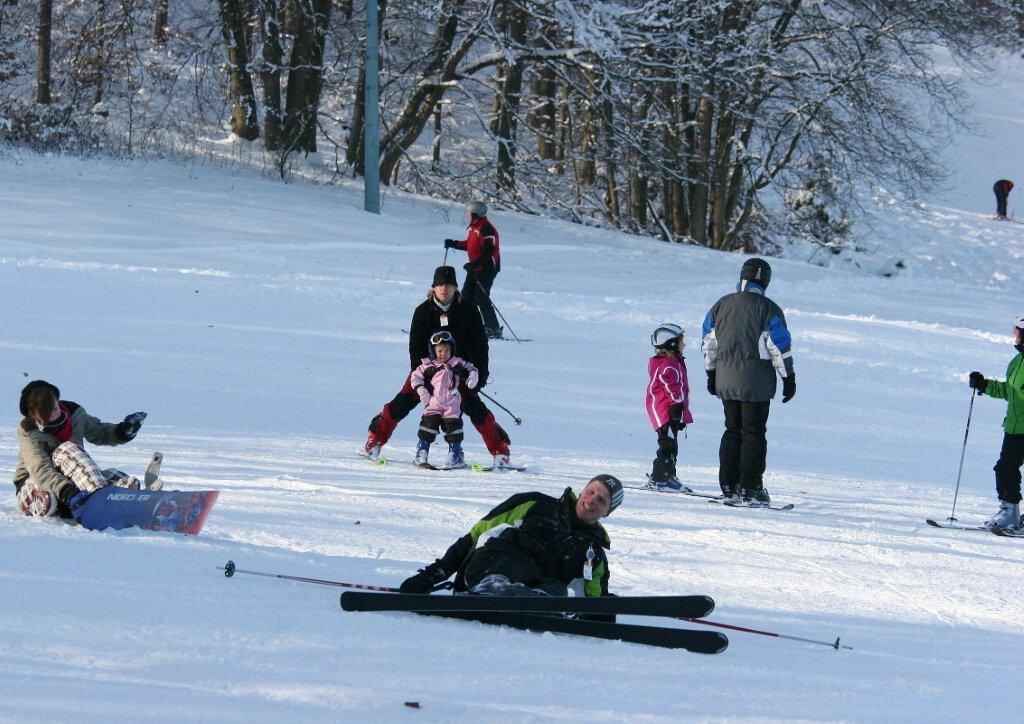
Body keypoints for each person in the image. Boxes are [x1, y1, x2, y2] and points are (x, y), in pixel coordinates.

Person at [363, 265, 512, 467]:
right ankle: (375, 440)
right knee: (400, 404)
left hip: (460, 372)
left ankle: (500, 451)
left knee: (476, 410)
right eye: (441, 284)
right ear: (433, 287)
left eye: (449, 285)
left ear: (456, 288)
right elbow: (415, 347)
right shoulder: (422, 311)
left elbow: (480, 345)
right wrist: (425, 377)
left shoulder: (469, 310)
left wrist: (480, 374)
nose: (445, 288)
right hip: (426, 371)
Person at [399, 474, 624, 598]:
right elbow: (475, 536)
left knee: (556, 588)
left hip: (535, 587)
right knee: (502, 553)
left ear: (607, 512)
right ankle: (494, 588)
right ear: (582, 490)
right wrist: (431, 576)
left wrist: (602, 613)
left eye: (602, 500)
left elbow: (594, 599)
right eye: (591, 491)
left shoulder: (593, 553)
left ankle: (538, 602)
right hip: (491, 568)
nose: (592, 499)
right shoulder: (535, 504)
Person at [701, 258, 795, 506]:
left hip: (727, 381)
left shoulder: (720, 306)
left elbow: (709, 343)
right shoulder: (768, 309)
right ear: (765, 281)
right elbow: (779, 346)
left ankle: (729, 486)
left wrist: (711, 373)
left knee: (732, 430)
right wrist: (788, 377)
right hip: (757, 385)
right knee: (753, 433)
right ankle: (751, 488)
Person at [13, 380, 147, 518]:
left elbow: (100, 432)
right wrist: (66, 491)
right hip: (34, 484)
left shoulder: (74, 414)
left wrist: (123, 431)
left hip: (71, 485)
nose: (53, 415)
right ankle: (98, 501)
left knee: (114, 476)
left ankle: (130, 500)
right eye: (44, 413)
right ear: (32, 415)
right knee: (68, 449)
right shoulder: (29, 431)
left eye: (54, 408)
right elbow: (40, 468)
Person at [968, 314, 1024, 530]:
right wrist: (984, 385)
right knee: (1005, 468)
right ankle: (1010, 512)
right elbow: (1010, 392)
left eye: (1017, 330)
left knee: (1007, 467)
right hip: (1014, 427)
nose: (1014, 333)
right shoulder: (1016, 362)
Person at [411, 330, 480, 469]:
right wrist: (421, 390)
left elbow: (471, 367)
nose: (444, 354)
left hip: (452, 403)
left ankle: (455, 454)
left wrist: (473, 377)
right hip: (434, 402)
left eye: (447, 350)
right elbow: (415, 376)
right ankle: (422, 451)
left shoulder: (456, 363)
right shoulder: (429, 365)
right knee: (428, 425)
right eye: (440, 350)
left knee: (453, 428)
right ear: (434, 350)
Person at [444, 200, 503, 339]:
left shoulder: (486, 229)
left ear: (475, 214)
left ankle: (493, 329)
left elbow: (488, 252)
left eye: (469, 213)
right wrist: (454, 243)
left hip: (487, 268)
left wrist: (474, 264)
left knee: (481, 297)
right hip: (476, 268)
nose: (467, 216)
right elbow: (471, 246)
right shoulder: (475, 227)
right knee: (465, 297)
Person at [645, 323, 693, 491]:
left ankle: (668, 475)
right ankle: (661, 478)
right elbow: (671, 386)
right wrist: (677, 404)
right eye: (681, 341)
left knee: (671, 444)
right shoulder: (668, 365)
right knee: (667, 444)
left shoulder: (673, 362)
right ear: (671, 343)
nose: (684, 345)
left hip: (670, 410)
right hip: (666, 411)